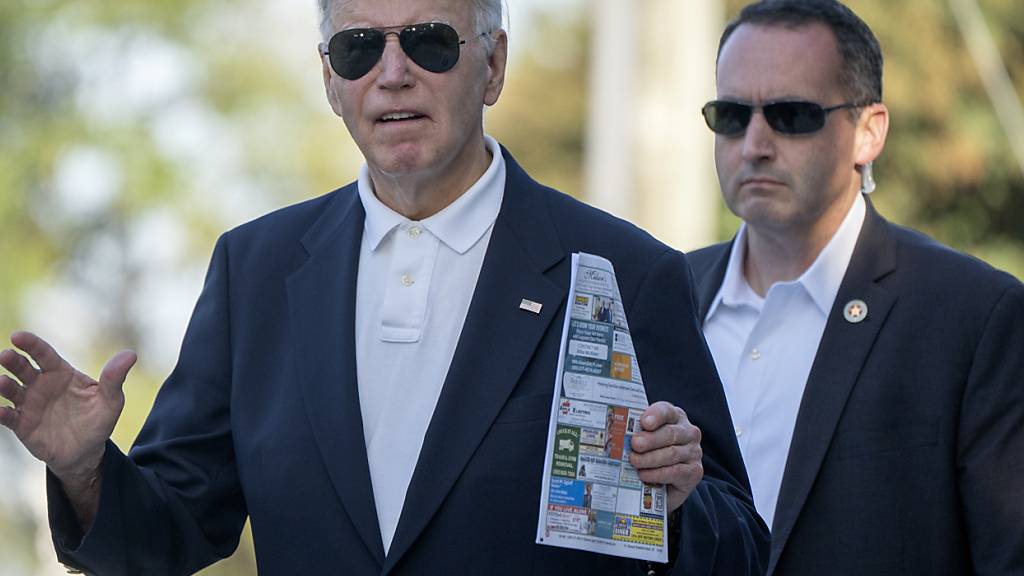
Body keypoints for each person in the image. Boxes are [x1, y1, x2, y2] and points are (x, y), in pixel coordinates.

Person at [0, 0, 768, 574]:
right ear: (330, 80)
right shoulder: (255, 271)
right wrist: (84, 471)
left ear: (493, 65)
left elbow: (739, 548)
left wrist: (674, 501)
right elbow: (167, 533)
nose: (392, 72)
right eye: (359, 47)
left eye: (430, 43)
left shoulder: (624, 271)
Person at [689, 1, 1024, 575]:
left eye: (792, 116)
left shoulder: (973, 317)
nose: (755, 145)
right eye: (732, 115)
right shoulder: (662, 296)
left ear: (869, 132)